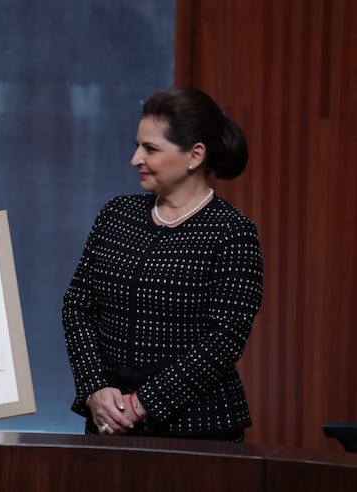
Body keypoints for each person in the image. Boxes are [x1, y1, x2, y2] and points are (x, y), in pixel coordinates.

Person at [62, 86, 263, 442]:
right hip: (107, 425)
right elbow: (77, 307)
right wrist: (95, 389)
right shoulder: (116, 215)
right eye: (137, 146)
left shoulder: (233, 232)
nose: (135, 158)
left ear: (195, 155)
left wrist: (142, 404)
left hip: (198, 432)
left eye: (150, 149)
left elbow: (225, 339)